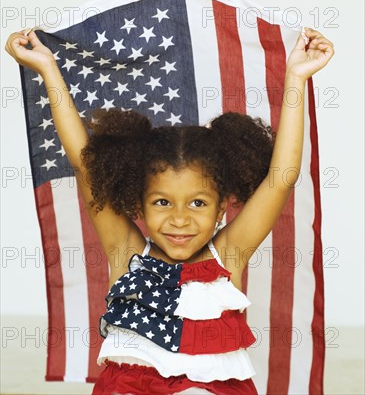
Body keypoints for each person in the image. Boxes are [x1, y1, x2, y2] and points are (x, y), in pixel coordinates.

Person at [5, 26, 334, 395]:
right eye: (162, 202)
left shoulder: (229, 255)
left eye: (198, 203)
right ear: (136, 203)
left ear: (223, 205)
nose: (180, 219)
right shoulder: (126, 252)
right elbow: (84, 163)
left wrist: (296, 77)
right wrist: (49, 70)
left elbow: (282, 177)